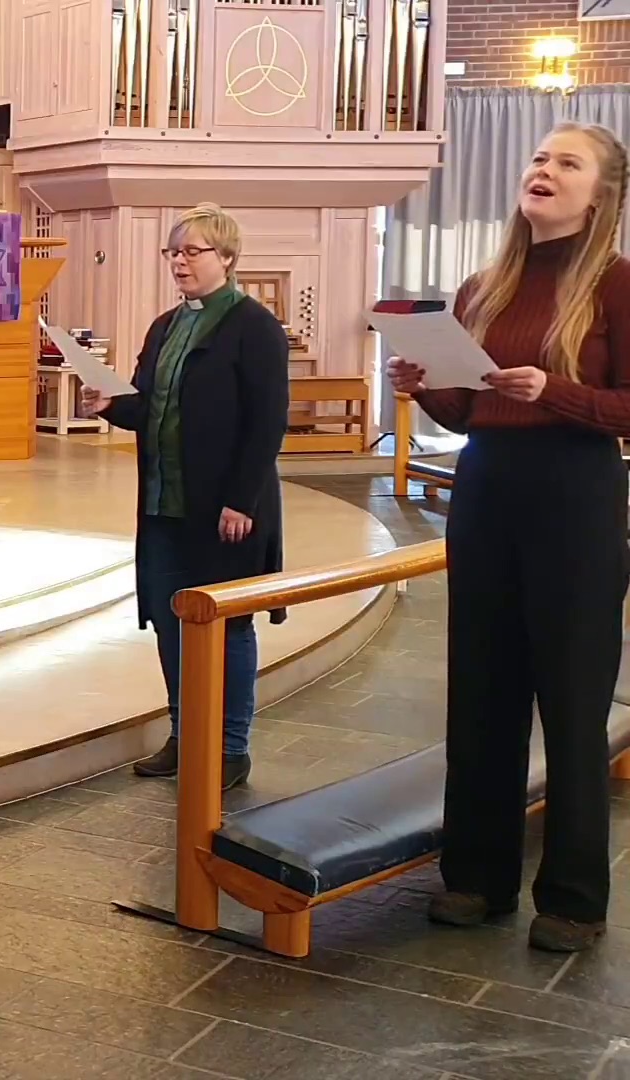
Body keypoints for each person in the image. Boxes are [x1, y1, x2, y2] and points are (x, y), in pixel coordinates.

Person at [389, 121, 630, 954]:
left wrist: (555, 391)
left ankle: (571, 896)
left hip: (576, 495)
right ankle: (477, 878)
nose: (543, 169)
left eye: (567, 162)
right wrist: (421, 388)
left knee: (570, 703)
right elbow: (469, 410)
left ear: (600, 193)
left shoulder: (619, 284)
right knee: (482, 692)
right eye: (537, 157)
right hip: (487, 489)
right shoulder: (483, 285)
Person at [82, 203, 289, 792]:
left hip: (225, 509)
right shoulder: (166, 326)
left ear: (226, 258)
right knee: (173, 625)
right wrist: (112, 406)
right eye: (173, 251)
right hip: (165, 504)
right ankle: (184, 735)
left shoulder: (254, 326)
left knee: (229, 626)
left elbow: (267, 421)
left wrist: (242, 501)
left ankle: (230, 748)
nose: (179, 261)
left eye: (192, 251)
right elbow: (151, 407)